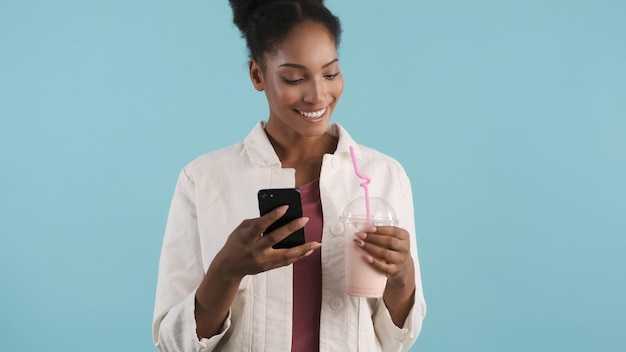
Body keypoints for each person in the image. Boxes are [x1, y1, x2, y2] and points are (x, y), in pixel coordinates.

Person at [152, 0, 426, 351]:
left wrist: (402, 276)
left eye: (330, 73)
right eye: (295, 78)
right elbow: (174, 343)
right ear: (257, 75)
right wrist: (226, 270)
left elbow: (397, 340)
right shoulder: (203, 181)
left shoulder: (385, 176)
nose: (317, 95)